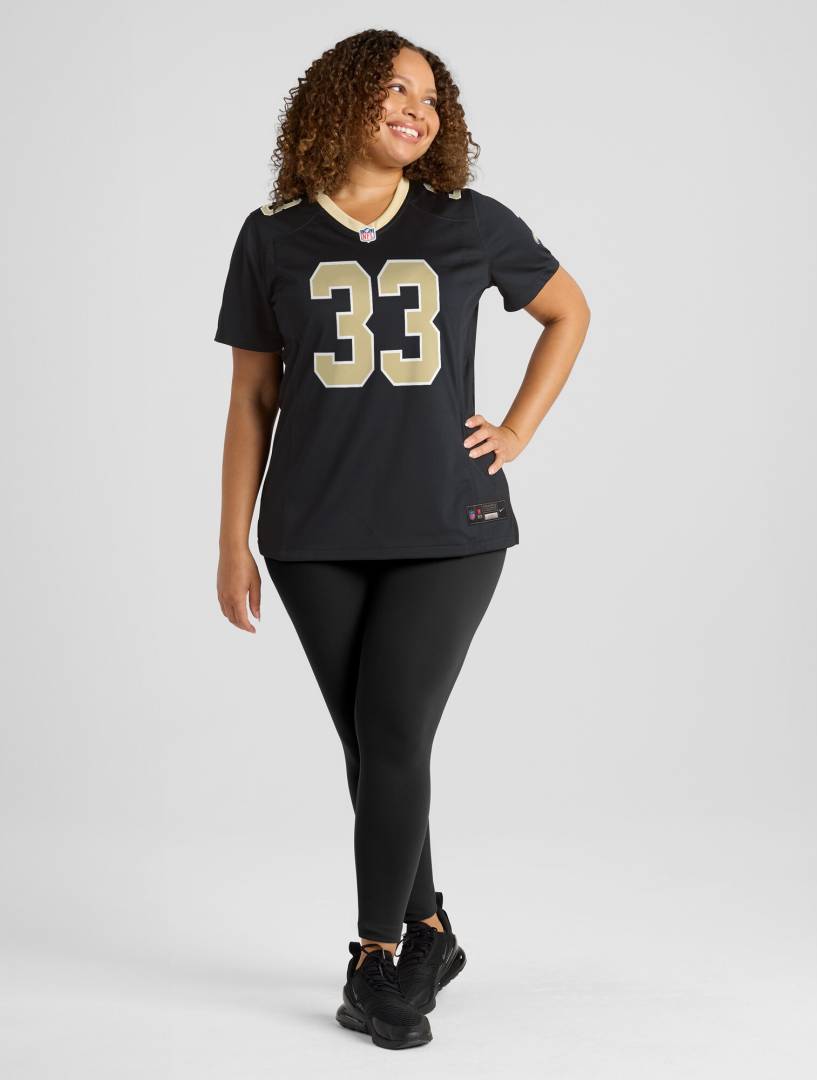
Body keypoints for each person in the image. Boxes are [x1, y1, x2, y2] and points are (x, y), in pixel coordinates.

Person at [214, 29, 590, 1050]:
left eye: (431, 96)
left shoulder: (468, 221)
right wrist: (232, 541)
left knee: (390, 730)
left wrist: (516, 431)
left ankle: (376, 959)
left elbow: (567, 311)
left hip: (449, 526)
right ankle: (430, 930)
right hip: (312, 532)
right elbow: (252, 398)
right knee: (374, 742)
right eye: (393, 88)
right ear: (340, 100)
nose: (416, 108)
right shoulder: (273, 235)